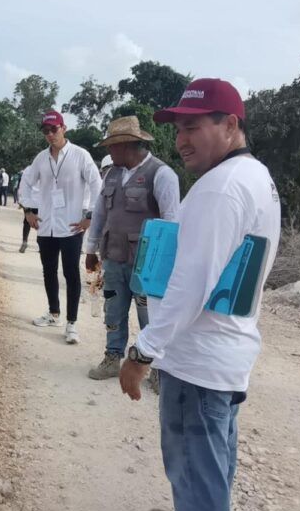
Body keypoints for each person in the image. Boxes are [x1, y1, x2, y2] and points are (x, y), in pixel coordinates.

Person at [118, 79, 281, 511]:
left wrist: (141, 351)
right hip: (224, 356)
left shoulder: (220, 189)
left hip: (199, 361)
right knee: (213, 467)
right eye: (177, 129)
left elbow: (192, 285)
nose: (181, 139)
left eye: (193, 127)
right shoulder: (254, 176)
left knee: (195, 473)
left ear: (230, 125)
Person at [85, 116, 180, 380]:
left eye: (112, 147)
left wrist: (165, 268)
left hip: (146, 266)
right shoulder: (112, 174)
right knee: (113, 309)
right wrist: (91, 249)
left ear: (127, 145)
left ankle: (157, 369)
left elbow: (172, 225)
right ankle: (112, 357)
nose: (108, 152)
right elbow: (100, 213)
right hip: (114, 256)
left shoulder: (162, 175)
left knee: (150, 316)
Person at [19, 110, 102, 344]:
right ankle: (53, 312)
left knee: (71, 273)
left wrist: (90, 215)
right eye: (45, 131)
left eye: (53, 129)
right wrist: (28, 211)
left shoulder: (80, 156)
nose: (50, 134)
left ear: (63, 128)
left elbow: (97, 184)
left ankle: (72, 323)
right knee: (48, 270)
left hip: (71, 226)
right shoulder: (40, 159)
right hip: (46, 226)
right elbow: (26, 183)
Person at [17, 165, 38, 253]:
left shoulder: (28, 170)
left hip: (29, 201)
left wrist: (21, 202)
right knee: (42, 224)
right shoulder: (48, 168)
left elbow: (22, 188)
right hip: (42, 203)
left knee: (26, 223)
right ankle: (41, 244)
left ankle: (25, 241)